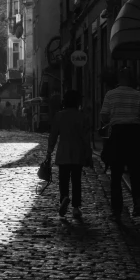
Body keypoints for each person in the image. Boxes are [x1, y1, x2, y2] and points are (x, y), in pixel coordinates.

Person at [100, 64, 140, 219]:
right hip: (134, 135)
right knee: (135, 173)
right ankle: (137, 203)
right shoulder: (138, 95)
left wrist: (114, 117)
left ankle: (117, 209)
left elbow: (104, 117)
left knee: (116, 174)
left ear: (119, 80)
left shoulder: (110, 94)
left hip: (118, 135)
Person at [46, 89, 92, 220]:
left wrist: (49, 152)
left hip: (63, 153)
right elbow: (85, 138)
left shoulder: (59, 116)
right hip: (78, 154)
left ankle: (64, 198)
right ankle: (76, 207)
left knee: (63, 179)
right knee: (76, 180)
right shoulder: (82, 116)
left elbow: (53, 136)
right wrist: (88, 153)